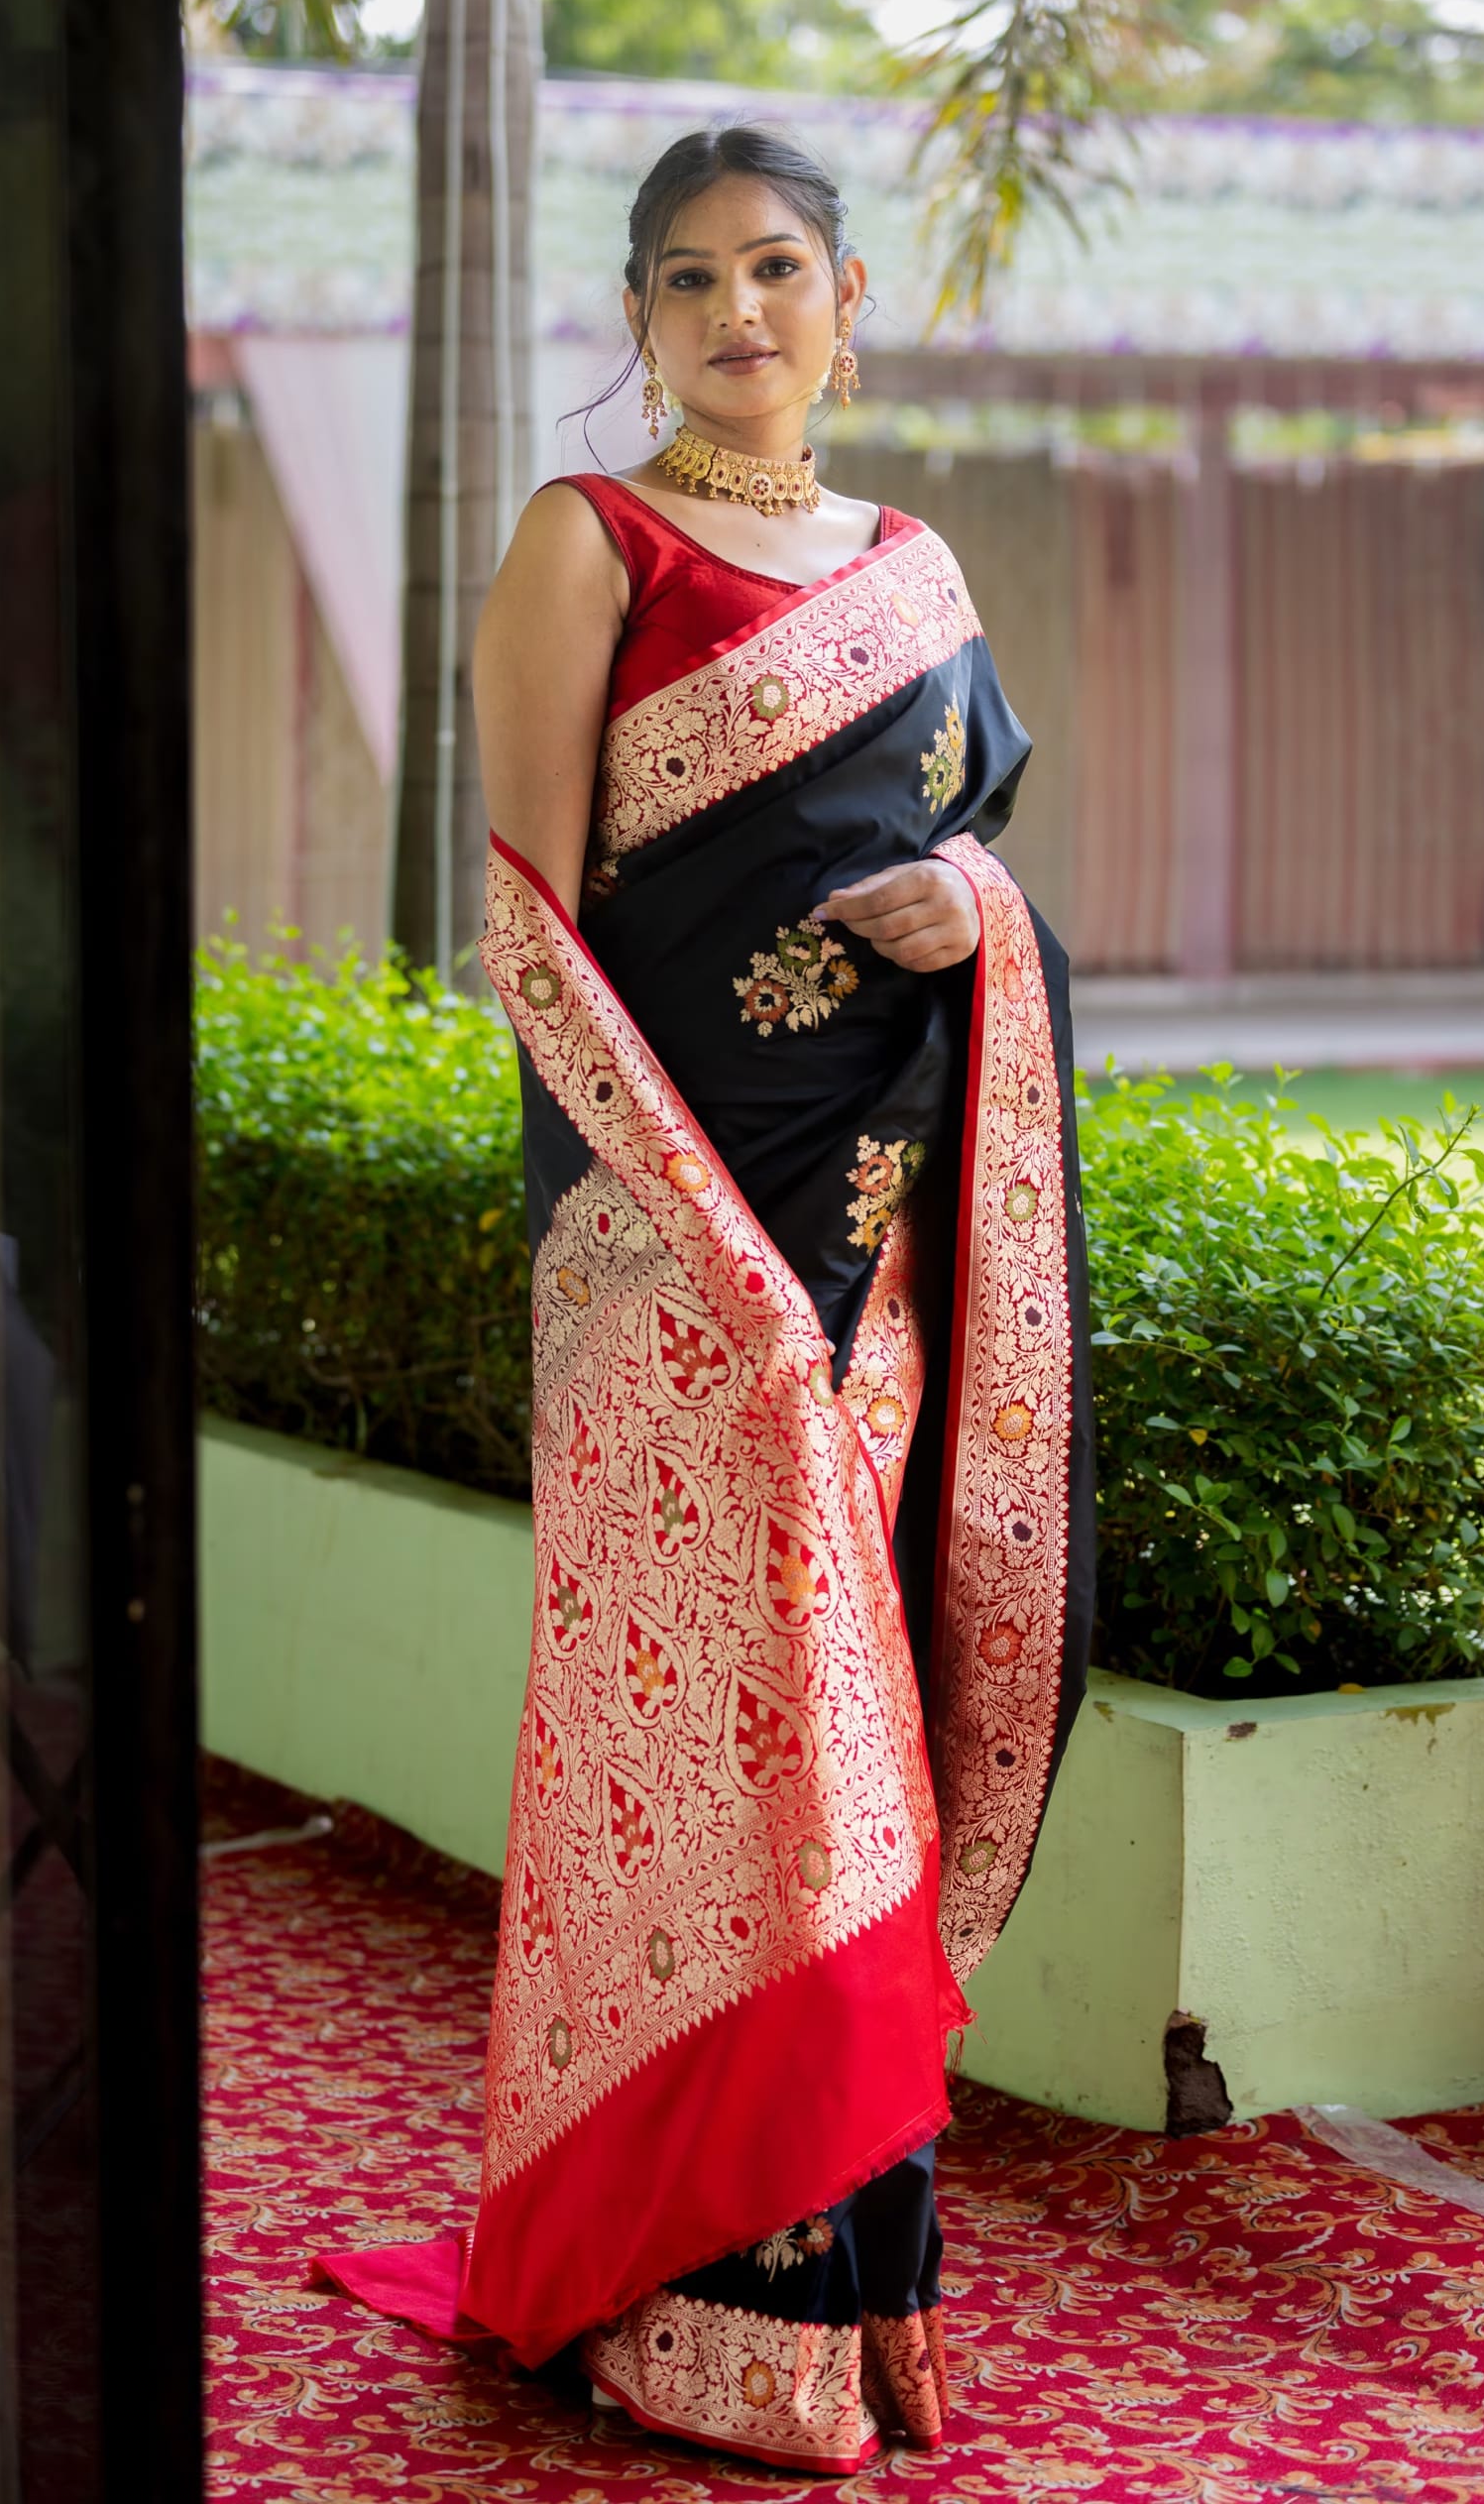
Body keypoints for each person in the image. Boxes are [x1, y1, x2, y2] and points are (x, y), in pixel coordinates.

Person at [318, 121, 1094, 2476]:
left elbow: (964, 862)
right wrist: (707, 1260)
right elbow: (529, 931)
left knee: (858, 1764)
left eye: (774, 267)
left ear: (846, 301)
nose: (735, 310)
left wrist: (982, 914)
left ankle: (857, 2301)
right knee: (727, 1768)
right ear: (638, 322)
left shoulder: (913, 570)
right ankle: (687, 2312)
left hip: (872, 1269)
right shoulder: (588, 541)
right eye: (685, 277)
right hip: (667, 1276)